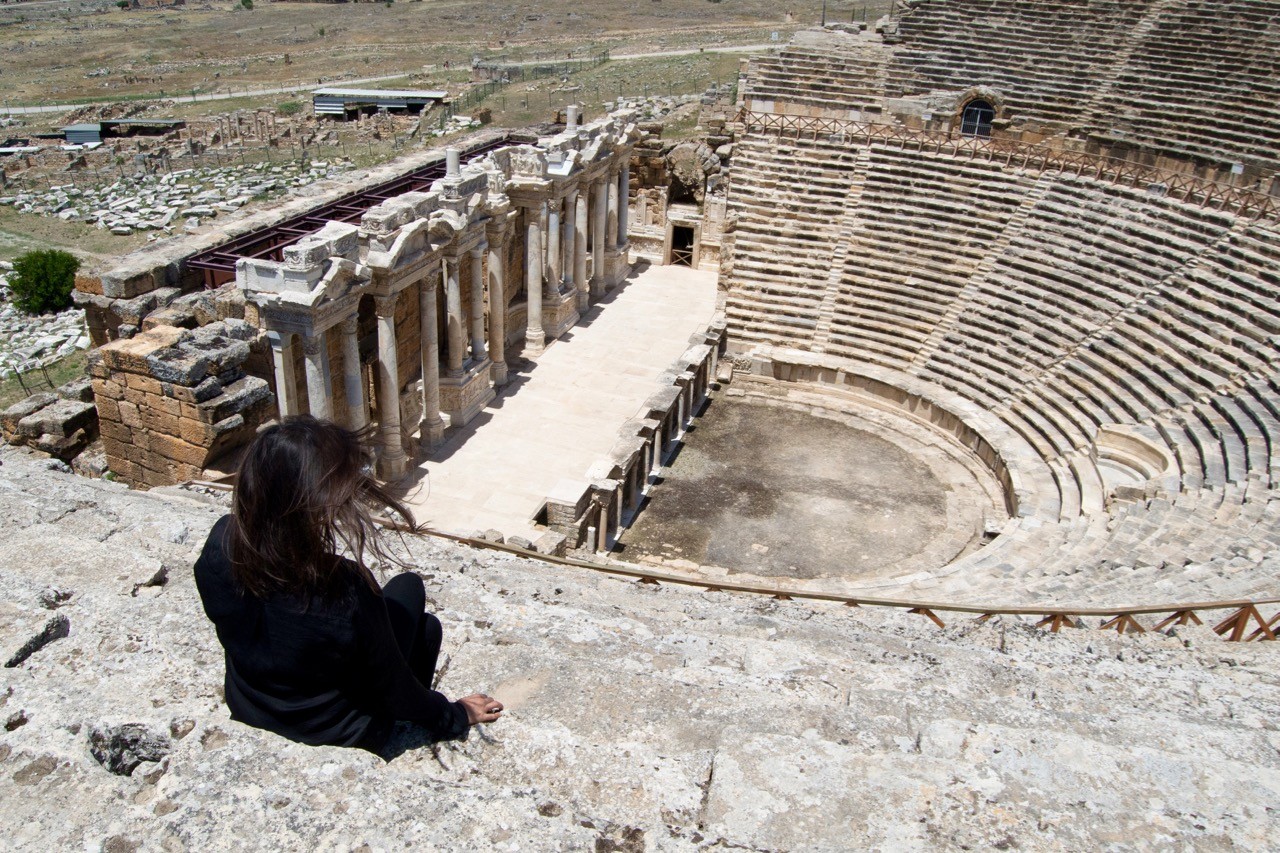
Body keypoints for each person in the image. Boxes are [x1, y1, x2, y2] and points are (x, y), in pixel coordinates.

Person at [193, 415, 502, 753]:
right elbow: (394, 687)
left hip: (253, 704)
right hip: (336, 731)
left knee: (409, 590)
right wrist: (454, 713)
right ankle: (404, 733)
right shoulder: (343, 588)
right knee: (424, 624)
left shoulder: (220, 543)